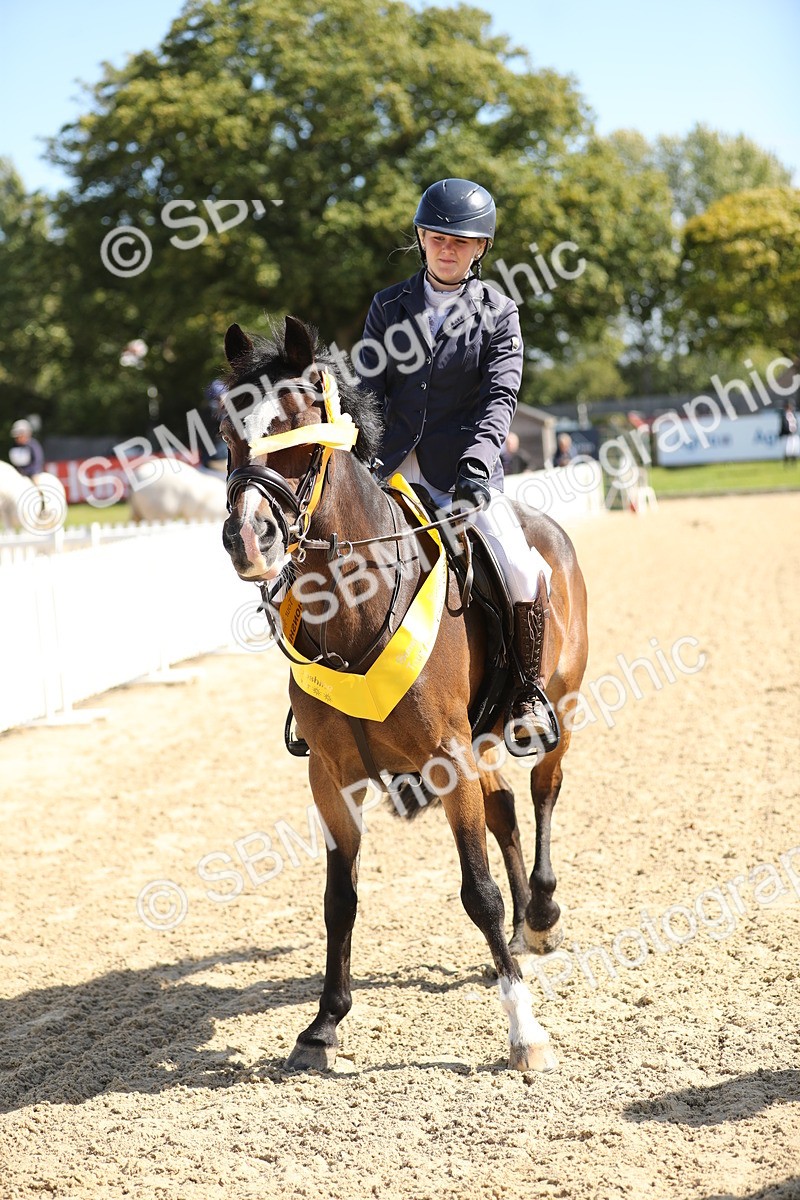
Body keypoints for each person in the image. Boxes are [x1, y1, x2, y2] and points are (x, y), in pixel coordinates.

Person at [356, 177, 555, 750]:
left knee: (522, 569)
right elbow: (368, 390)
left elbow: (500, 397)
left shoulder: (500, 312)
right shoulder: (388, 306)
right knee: (327, 550)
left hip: (463, 473)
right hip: (392, 468)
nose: (448, 248)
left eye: (461, 241)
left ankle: (526, 694)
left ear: (480, 248)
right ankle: (317, 697)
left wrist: (476, 466)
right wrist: (363, 457)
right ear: (421, 237)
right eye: (437, 236)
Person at [779, 401, 799, 465]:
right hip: (787, 435)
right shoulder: (784, 415)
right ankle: (786, 463)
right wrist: (788, 431)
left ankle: (793, 463)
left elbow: (796, 424)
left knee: (794, 449)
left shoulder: (793, 414)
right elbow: (784, 425)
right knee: (788, 449)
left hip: (793, 434)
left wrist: (794, 430)